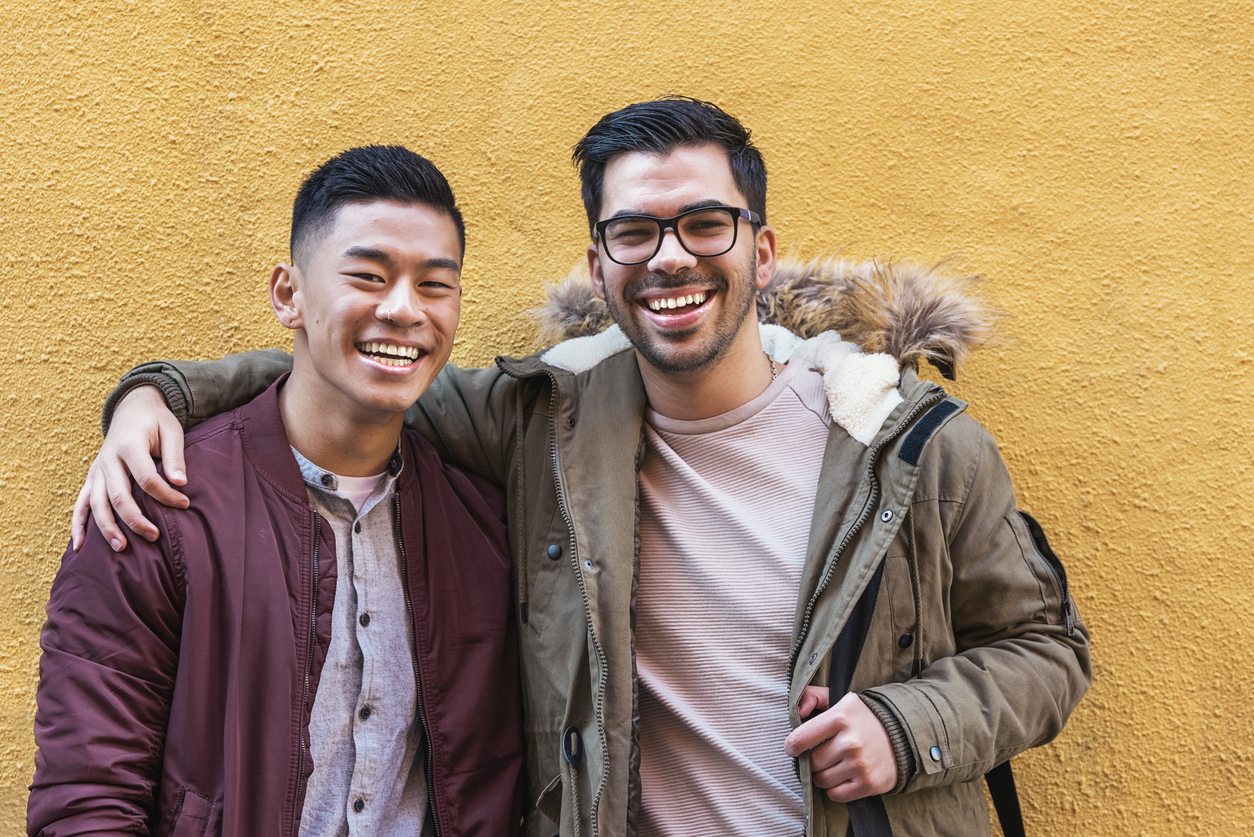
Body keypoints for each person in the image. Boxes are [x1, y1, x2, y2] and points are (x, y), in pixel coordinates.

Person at [72, 98, 1091, 837]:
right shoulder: (543, 419)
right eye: (634, 232)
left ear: (762, 250)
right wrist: (157, 394)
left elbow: (1049, 650)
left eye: (705, 224)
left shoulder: (906, 444)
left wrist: (912, 727)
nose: (670, 257)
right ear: (600, 266)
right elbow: (358, 368)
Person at [30, 146, 525, 836]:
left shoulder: (484, 526)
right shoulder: (159, 503)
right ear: (288, 294)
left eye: (435, 284)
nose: (404, 309)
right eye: (369, 275)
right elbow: (88, 794)